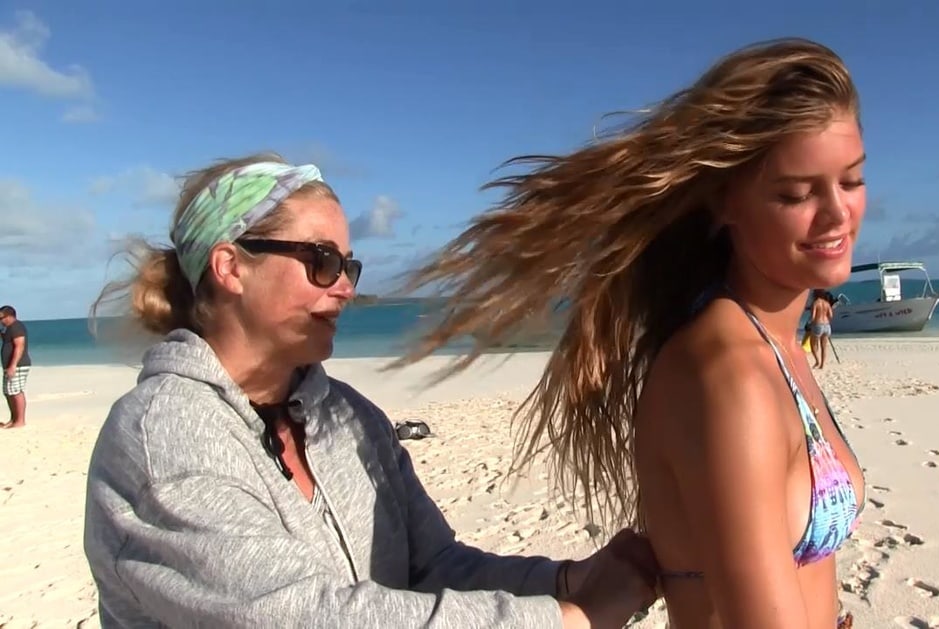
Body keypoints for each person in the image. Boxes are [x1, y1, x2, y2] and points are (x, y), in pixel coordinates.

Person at [390, 38, 867, 628]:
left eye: (851, 181)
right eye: (797, 193)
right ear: (724, 203)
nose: (838, 213)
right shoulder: (728, 373)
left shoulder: (777, 345)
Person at [83, 153, 658, 628]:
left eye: (347, 267)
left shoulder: (352, 418)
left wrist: (566, 580)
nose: (345, 289)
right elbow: (306, 618)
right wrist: (571, 619)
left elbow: (432, 568)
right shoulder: (161, 437)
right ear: (230, 267)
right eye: (322, 260)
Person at [1, 305, 32, 428]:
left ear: (9, 316)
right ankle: (13, 419)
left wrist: (13, 365)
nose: (1, 321)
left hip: (18, 365)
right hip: (9, 365)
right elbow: (7, 341)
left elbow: (20, 346)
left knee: (16, 391)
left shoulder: (16, 327)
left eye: (1, 318)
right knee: (8, 392)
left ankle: (20, 421)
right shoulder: (8, 328)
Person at [809, 288, 836, 369]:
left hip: (818, 325)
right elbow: (831, 316)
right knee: (823, 347)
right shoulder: (827, 304)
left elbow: (813, 317)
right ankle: (822, 365)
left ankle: (817, 361)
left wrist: (810, 324)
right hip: (827, 325)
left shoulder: (815, 303)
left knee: (813, 344)